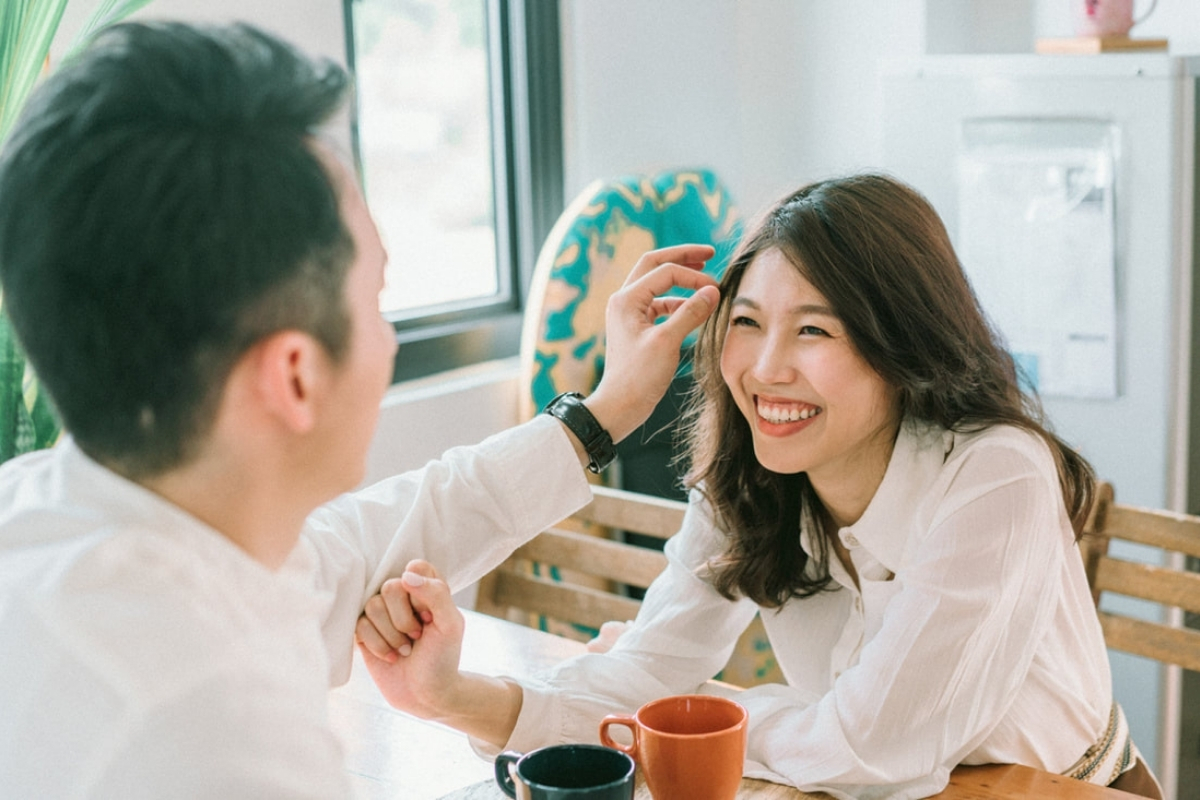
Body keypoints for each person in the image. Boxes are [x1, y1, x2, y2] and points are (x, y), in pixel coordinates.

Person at [0, 20, 719, 799]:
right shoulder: (210, 730)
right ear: (296, 375)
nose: (388, 341)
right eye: (378, 302)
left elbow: (381, 531)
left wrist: (603, 412)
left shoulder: (58, 513)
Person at [356, 173, 1164, 800]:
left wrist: (706, 706)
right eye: (746, 322)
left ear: (901, 346)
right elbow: (643, 677)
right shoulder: (750, 474)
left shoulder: (995, 473)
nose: (766, 368)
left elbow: (873, 747)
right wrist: (452, 695)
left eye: (814, 329)